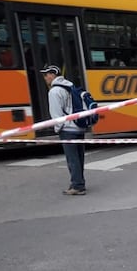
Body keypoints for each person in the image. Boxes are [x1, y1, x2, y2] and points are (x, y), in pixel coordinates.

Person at [40, 64, 87, 196]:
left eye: (46, 75)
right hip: (79, 127)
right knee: (79, 157)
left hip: (67, 129)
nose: (45, 78)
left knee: (72, 159)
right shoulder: (70, 86)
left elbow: (56, 115)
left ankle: (77, 186)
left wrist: (57, 129)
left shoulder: (54, 91)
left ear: (53, 75)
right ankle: (79, 182)